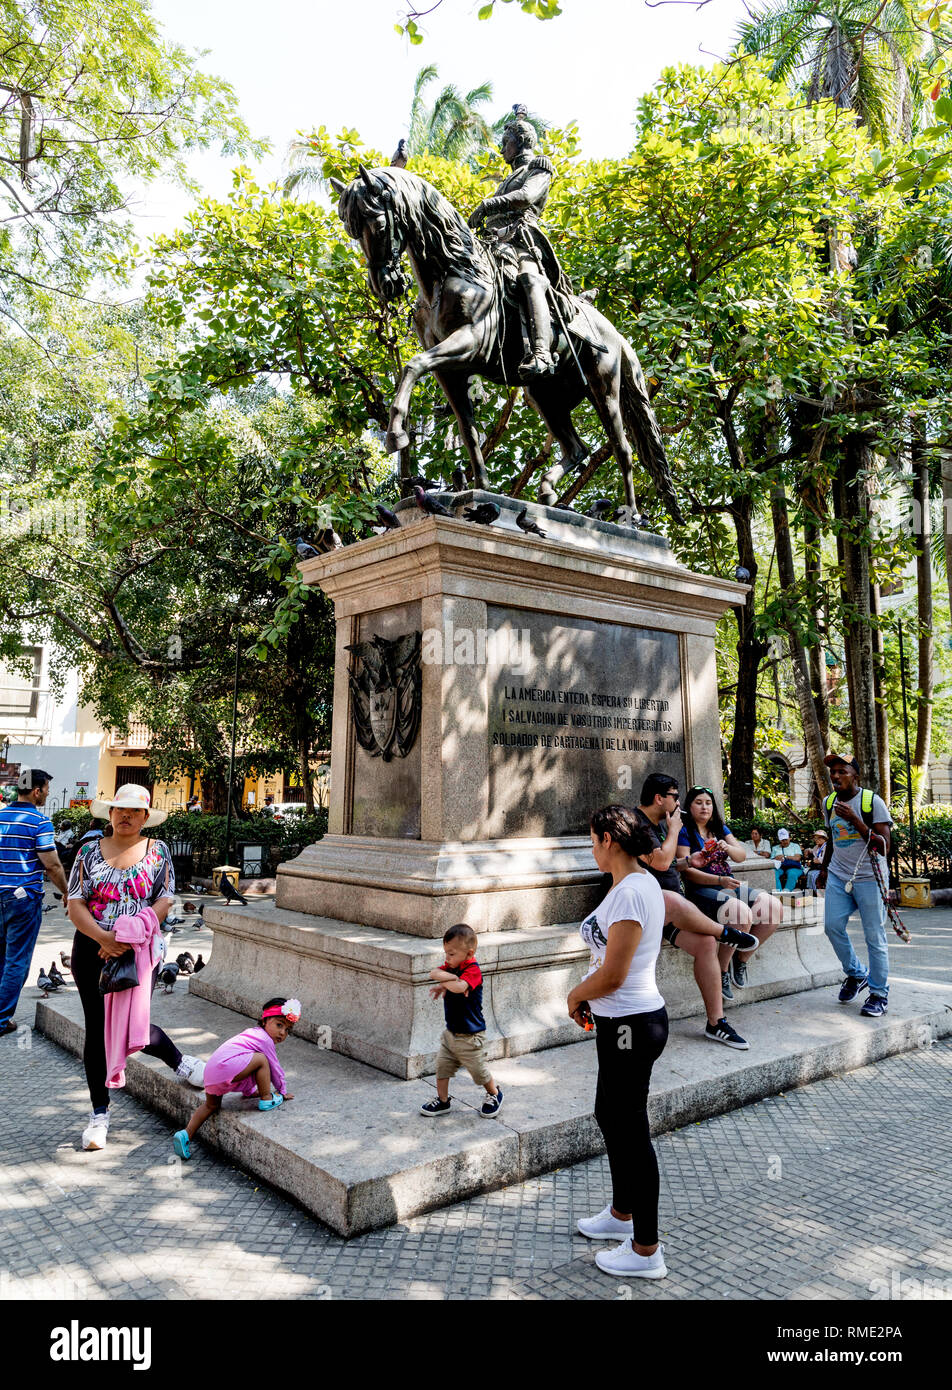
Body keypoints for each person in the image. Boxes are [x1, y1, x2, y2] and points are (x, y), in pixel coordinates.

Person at [66, 783, 206, 1151]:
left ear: (145, 817)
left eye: (133, 811)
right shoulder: (87, 852)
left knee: (132, 1023)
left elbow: (165, 898)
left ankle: (181, 1063)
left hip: (137, 951)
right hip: (92, 950)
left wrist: (131, 934)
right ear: (109, 814)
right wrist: (103, 938)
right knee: (98, 1028)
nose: (125, 816)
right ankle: (99, 1115)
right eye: (118, 810)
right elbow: (75, 902)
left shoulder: (158, 852)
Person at [568, 804, 668, 1279]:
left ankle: (646, 1251)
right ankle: (621, 1214)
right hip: (620, 1023)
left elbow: (613, 976)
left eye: (592, 840)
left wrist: (575, 994)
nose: (591, 848)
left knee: (631, 1131)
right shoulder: (634, 884)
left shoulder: (631, 892)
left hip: (631, 1025)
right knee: (608, 1115)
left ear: (609, 839)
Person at [634, 772, 757, 1050]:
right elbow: (662, 862)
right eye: (676, 797)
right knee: (676, 903)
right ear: (659, 798)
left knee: (705, 944)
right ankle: (726, 932)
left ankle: (716, 1023)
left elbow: (666, 864)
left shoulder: (657, 824)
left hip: (667, 910)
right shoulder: (637, 824)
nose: (681, 804)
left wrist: (689, 860)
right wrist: (676, 830)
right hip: (645, 906)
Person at [468, 108, 572, 379]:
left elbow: (526, 197)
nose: (502, 148)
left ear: (522, 141)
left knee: (528, 278)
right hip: (496, 242)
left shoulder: (539, 167)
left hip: (523, 239)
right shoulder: (504, 181)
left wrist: (487, 204)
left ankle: (541, 353)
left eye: (506, 142)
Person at [677, 785, 783, 1000]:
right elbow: (687, 872)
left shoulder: (720, 828)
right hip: (701, 890)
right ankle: (722, 970)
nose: (704, 807)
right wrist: (719, 880)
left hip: (727, 886)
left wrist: (727, 847)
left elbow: (741, 855)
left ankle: (740, 959)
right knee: (740, 912)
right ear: (689, 806)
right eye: (698, 802)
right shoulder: (684, 831)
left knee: (772, 907)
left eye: (708, 803)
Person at [816, 754, 894, 1018]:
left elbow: (884, 847)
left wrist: (857, 821)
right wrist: (824, 869)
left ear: (855, 775)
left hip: (870, 877)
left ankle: (879, 994)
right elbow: (833, 840)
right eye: (833, 772)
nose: (835, 776)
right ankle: (856, 974)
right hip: (839, 875)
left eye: (842, 771)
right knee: (831, 926)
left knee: (875, 936)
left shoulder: (872, 802)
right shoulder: (828, 802)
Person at [173, 997, 298, 1159]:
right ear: (265, 1020)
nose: (282, 1032)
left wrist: (250, 1091)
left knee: (211, 1106)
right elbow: (275, 1068)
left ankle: (185, 1134)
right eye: (279, 1025)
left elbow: (244, 1065)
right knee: (262, 1060)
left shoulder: (252, 1034)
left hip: (211, 1073)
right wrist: (281, 1090)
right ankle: (267, 1099)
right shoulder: (265, 1040)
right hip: (225, 1069)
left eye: (288, 1030)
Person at [0, 768, 69, 1036]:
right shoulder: (39, 822)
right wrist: (66, 891)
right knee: (16, 960)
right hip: (22, 900)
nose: (47, 795)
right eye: (46, 790)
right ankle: (2, 1019)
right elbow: (52, 865)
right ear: (37, 790)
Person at [420, 923, 503, 1118]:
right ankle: (443, 1101)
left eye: (451, 954)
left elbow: (460, 987)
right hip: (451, 1034)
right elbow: (433, 973)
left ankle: (495, 1094)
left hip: (471, 1035)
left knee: (478, 1071)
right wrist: (449, 980)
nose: (446, 958)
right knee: (442, 1068)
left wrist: (448, 983)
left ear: (469, 952)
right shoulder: (453, 968)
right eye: (445, 953)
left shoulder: (473, 970)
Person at [770, 828, 803, 892]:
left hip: (793, 867)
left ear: (789, 838)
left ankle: (786, 892)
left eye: (786, 839)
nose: (784, 841)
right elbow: (771, 860)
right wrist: (776, 858)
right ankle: (779, 893)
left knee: (792, 873)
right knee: (773, 873)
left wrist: (785, 857)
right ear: (779, 840)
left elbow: (797, 858)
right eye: (782, 840)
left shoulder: (795, 846)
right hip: (780, 867)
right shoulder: (775, 848)